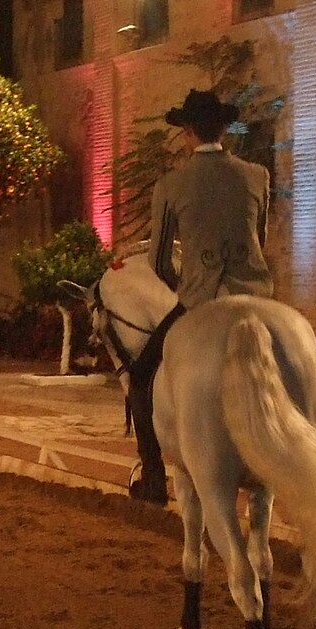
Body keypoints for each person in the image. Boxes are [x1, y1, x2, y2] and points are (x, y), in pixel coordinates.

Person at [126, 88, 273, 504]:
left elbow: (157, 260)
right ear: (224, 130)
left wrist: (183, 283)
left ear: (188, 131)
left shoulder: (171, 184)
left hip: (199, 299)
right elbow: (259, 239)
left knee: (140, 377)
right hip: (256, 295)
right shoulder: (257, 175)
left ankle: (154, 477)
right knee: (313, 358)